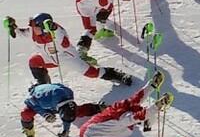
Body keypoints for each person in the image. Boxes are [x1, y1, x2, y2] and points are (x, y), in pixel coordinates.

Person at [3, 13, 132, 84]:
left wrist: (55, 29)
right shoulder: (34, 31)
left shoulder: (58, 33)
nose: (33, 29)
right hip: (49, 58)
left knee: (92, 74)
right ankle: (44, 87)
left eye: (36, 27)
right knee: (34, 61)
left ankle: (113, 73)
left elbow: (64, 44)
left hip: (67, 58)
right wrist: (13, 27)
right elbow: (22, 32)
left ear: (44, 27)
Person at [75, 0, 163, 48]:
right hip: (84, 3)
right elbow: (103, 2)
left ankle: (100, 26)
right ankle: (81, 49)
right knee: (90, 29)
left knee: (109, 6)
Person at [20, 83, 104, 137]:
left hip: (56, 99)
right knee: (26, 113)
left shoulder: (69, 93)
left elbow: (67, 113)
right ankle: (29, 133)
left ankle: (96, 108)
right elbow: (29, 102)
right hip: (43, 99)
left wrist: (65, 130)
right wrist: (44, 113)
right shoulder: (43, 100)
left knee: (76, 111)